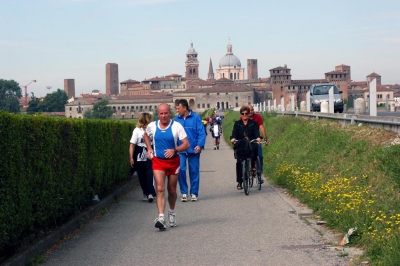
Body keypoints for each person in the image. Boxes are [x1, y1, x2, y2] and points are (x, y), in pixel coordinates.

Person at [144, 104, 190, 230]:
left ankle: (172, 213)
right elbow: (145, 135)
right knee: (159, 188)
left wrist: (174, 150)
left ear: (170, 113)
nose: (163, 116)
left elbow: (186, 144)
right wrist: (149, 149)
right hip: (158, 161)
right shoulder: (152, 126)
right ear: (158, 115)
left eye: (166, 113)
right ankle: (161, 217)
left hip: (173, 162)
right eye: (161, 113)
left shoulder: (176, 126)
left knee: (172, 190)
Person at [175, 99, 206, 202]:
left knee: (194, 171)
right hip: (181, 150)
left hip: (194, 149)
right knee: (181, 170)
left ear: (184, 108)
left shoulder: (196, 118)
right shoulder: (176, 120)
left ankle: (194, 193)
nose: (177, 110)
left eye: (178, 108)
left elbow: (201, 133)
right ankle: (184, 192)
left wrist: (199, 145)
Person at [230, 106, 261, 190]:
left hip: (250, 143)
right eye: (242, 113)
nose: (244, 115)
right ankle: (240, 182)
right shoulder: (237, 124)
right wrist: (233, 139)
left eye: (246, 113)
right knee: (239, 162)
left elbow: (256, 133)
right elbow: (234, 134)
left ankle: (253, 166)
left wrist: (258, 138)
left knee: (255, 147)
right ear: (241, 114)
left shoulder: (253, 123)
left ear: (248, 114)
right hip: (241, 144)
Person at [129, 112, 156, 203]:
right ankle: (146, 192)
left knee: (150, 173)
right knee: (141, 175)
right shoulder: (137, 130)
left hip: (150, 151)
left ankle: (150, 193)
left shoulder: (152, 130)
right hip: (139, 152)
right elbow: (132, 145)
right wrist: (131, 158)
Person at [247, 104, 269, 182]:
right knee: (245, 157)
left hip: (256, 139)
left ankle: (259, 174)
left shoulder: (257, 117)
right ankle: (246, 171)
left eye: (252, 110)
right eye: (249, 110)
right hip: (246, 140)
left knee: (260, 156)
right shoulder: (243, 117)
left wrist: (265, 139)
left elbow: (261, 128)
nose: (251, 112)